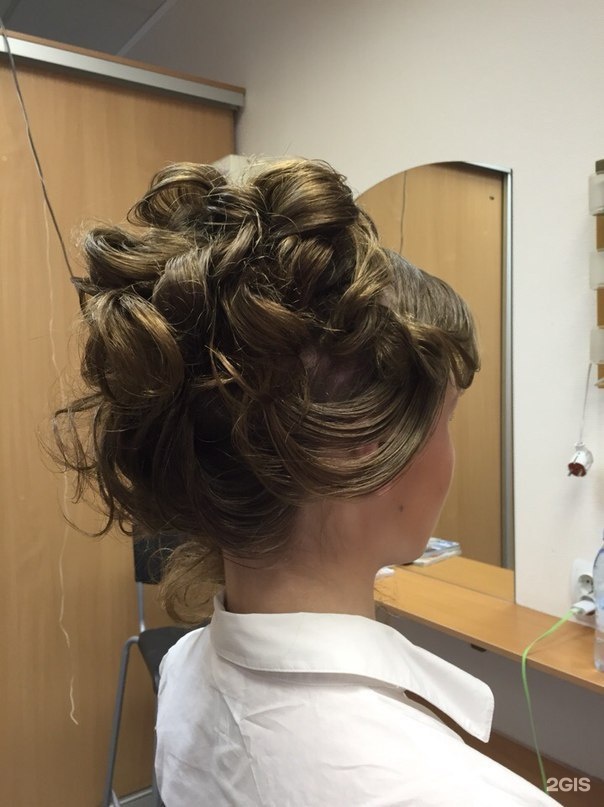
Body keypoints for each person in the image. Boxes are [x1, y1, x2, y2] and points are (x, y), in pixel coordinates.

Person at [56, 159, 559, 805]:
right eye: (446, 420)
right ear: (358, 450)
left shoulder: (182, 670)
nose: (450, 455)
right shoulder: (458, 793)